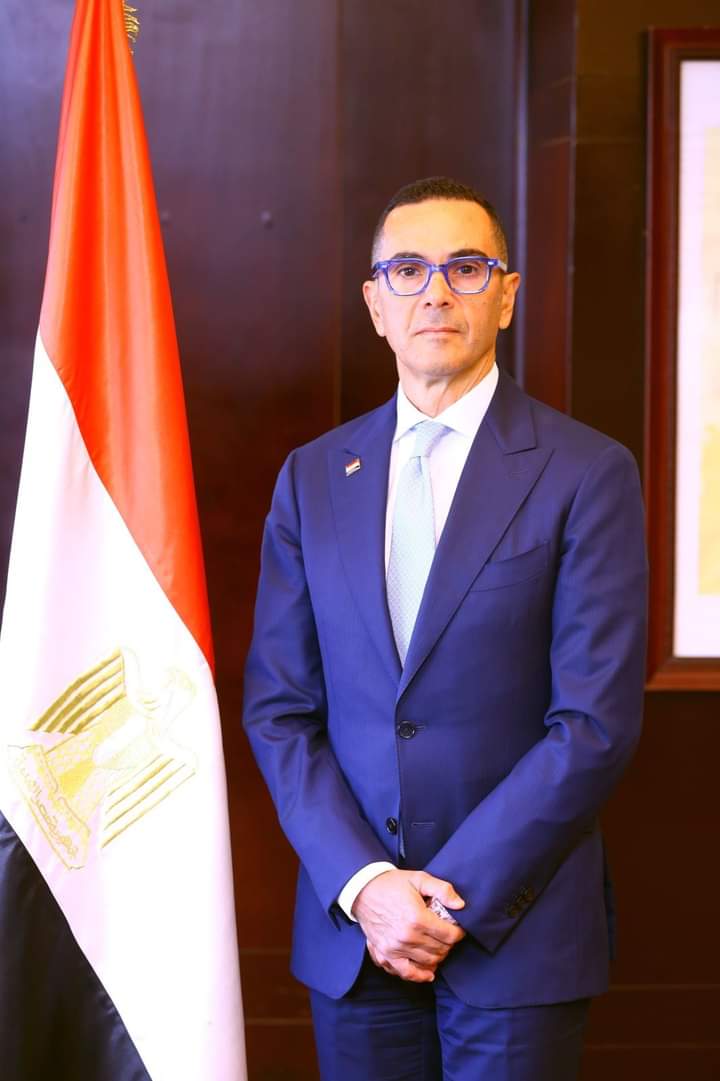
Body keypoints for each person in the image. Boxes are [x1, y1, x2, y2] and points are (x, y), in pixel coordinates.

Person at [243, 176, 647, 1081]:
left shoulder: (587, 473)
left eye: (466, 268)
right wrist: (369, 887)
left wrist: (446, 901)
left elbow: (594, 724)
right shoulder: (312, 478)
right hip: (357, 936)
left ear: (506, 295)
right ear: (375, 304)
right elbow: (280, 710)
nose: (435, 292)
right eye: (408, 270)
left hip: (518, 935)